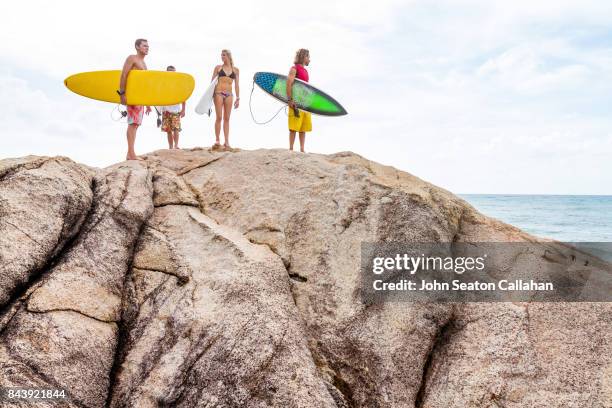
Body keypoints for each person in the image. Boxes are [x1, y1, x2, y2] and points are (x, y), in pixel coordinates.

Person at [118, 38, 152, 160]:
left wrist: (147, 103)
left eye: (147, 46)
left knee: (136, 124)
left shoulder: (144, 64)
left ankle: (130, 153)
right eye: (144, 46)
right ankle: (131, 154)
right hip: (132, 96)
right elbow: (124, 75)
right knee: (132, 124)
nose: (147, 48)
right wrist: (122, 93)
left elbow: (144, 84)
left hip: (140, 98)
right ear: (137, 47)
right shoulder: (132, 58)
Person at [211, 49, 240, 150]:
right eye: (221, 55)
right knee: (219, 117)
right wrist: (210, 96)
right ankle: (217, 140)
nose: (222, 57)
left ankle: (227, 141)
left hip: (229, 94)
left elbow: (236, 85)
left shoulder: (236, 70)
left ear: (228, 56)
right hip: (218, 93)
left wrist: (238, 98)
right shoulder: (218, 68)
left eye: (223, 55)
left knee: (227, 118)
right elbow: (212, 83)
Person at [287, 48, 311, 153]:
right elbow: (289, 84)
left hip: (305, 102)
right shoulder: (294, 69)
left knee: (303, 127)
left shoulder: (305, 71)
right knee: (293, 126)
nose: (309, 59)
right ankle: (291, 148)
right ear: (303, 57)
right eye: (308, 57)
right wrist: (290, 100)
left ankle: (302, 149)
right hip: (296, 101)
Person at [159, 65, 186, 149]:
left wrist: (183, 110)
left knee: (176, 129)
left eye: (174, 73)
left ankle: (176, 145)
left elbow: (183, 97)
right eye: (170, 73)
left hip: (176, 110)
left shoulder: (178, 85)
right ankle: (170, 147)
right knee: (168, 130)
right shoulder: (163, 84)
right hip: (166, 110)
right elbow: (158, 96)